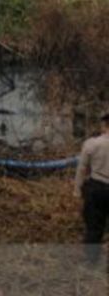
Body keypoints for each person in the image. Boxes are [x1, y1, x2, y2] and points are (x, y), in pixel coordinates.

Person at [75, 110, 109, 265]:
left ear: (104, 125)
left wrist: (77, 190)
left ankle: (91, 261)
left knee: (94, 226)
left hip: (97, 188)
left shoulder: (92, 143)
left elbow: (82, 169)